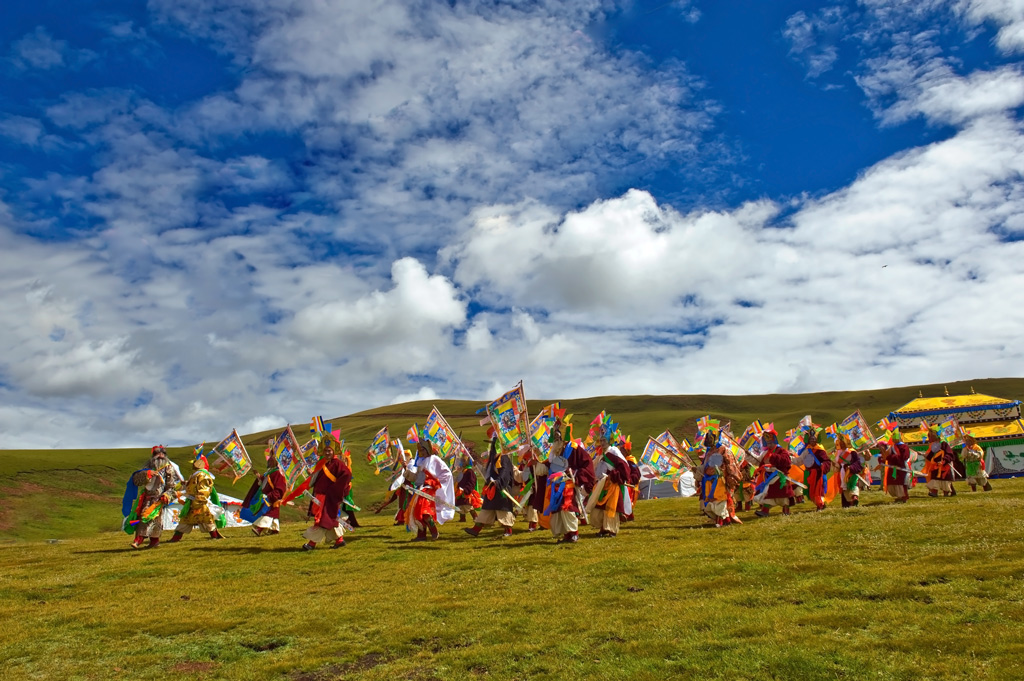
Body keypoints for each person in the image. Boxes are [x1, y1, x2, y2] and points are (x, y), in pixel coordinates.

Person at [294, 437, 352, 550]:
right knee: (330, 519)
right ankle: (339, 540)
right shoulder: (325, 464)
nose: (327, 453)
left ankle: (311, 544)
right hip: (320, 497)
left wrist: (335, 490)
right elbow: (319, 479)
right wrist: (313, 474)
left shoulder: (338, 464)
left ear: (333, 451)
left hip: (329, 497)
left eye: (329, 451)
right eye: (325, 451)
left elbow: (347, 475)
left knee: (321, 519)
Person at [124, 445, 184, 549]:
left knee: (151, 518)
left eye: (163, 454)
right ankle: (151, 541)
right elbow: (136, 480)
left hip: (159, 499)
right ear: (153, 455)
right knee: (145, 517)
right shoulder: (148, 467)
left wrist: (167, 495)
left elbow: (172, 485)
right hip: (146, 497)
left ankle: (140, 540)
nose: (160, 456)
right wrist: (147, 474)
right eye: (157, 454)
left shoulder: (169, 468)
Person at [465, 438, 517, 538]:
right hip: (492, 489)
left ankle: (508, 531)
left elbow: (505, 473)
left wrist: (499, 482)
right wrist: (478, 466)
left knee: (503, 511)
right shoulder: (494, 460)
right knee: (486, 509)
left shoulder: (504, 458)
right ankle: (476, 529)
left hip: (502, 490)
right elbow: (487, 473)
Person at [404, 441, 455, 541]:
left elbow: (447, 474)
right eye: (419, 450)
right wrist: (407, 473)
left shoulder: (435, 460)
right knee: (417, 512)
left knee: (425, 512)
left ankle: (434, 531)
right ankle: (421, 535)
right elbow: (418, 478)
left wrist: (434, 482)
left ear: (427, 449)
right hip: (421, 490)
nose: (421, 452)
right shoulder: (421, 462)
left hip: (430, 491)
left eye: (422, 449)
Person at [168, 454, 225, 542]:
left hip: (199, 502)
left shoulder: (202, 475)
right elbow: (194, 486)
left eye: (195, 462)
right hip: (192, 502)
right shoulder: (196, 475)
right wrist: (187, 484)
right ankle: (175, 538)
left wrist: (199, 499)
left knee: (206, 520)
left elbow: (203, 489)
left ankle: (215, 536)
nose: (193, 464)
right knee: (186, 520)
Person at [589, 444, 632, 537]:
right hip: (602, 484)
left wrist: (612, 475)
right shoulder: (601, 453)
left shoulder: (614, 452)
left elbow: (624, 469)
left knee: (612, 507)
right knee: (601, 507)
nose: (601, 442)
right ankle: (603, 528)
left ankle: (612, 529)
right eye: (601, 440)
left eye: (604, 440)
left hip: (613, 485)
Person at [243, 453, 287, 536]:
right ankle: (275, 529)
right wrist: (259, 476)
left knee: (268, 514)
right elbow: (264, 482)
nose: (269, 461)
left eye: (272, 460)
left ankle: (259, 529)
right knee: (272, 514)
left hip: (272, 497)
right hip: (267, 496)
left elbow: (280, 487)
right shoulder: (270, 472)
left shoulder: (278, 473)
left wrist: (272, 496)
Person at [754, 429, 795, 517]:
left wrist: (773, 457)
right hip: (769, 477)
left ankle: (786, 511)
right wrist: (749, 455)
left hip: (780, 477)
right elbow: (759, 461)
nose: (769, 445)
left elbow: (786, 461)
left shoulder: (781, 451)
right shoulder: (765, 453)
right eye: (768, 443)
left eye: (771, 442)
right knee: (768, 494)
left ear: (775, 441)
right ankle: (765, 511)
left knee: (784, 496)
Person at [698, 440, 731, 527]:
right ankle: (727, 521)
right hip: (711, 489)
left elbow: (721, 488)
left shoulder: (720, 478)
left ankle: (719, 522)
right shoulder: (708, 479)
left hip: (720, 489)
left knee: (720, 508)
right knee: (713, 507)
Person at [800, 429, 832, 511]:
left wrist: (823, 466)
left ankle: (820, 505)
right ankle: (821, 504)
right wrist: (791, 459)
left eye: (814, 439)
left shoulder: (820, 450)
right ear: (808, 440)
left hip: (819, 474)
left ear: (816, 440)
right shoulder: (807, 451)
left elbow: (827, 461)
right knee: (812, 491)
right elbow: (800, 460)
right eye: (811, 439)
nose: (812, 441)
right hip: (810, 474)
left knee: (819, 490)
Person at [832, 434, 864, 508]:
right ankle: (850, 502)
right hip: (842, 473)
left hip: (851, 472)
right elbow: (839, 466)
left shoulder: (852, 452)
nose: (842, 445)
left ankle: (854, 497)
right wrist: (835, 465)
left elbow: (857, 462)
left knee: (853, 485)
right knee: (845, 488)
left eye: (843, 443)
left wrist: (851, 467)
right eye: (841, 443)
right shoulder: (838, 453)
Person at [924, 427, 956, 497]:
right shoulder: (933, 445)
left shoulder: (944, 444)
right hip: (936, 466)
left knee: (945, 480)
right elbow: (931, 454)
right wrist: (926, 456)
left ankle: (946, 493)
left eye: (930, 437)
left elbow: (949, 454)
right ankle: (934, 492)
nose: (929, 439)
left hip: (944, 465)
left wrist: (945, 460)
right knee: (935, 479)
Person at [881, 432, 912, 503]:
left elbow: (904, 457)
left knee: (901, 482)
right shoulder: (892, 447)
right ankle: (899, 496)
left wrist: (892, 457)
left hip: (902, 467)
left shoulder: (904, 447)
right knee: (893, 481)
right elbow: (888, 456)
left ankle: (904, 496)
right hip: (893, 467)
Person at [453, 452, 482, 522]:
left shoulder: (470, 472)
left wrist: (467, 489)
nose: (461, 462)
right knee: (460, 505)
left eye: (463, 461)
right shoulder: (463, 471)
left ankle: (475, 517)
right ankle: (462, 518)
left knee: (468, 506)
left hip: (466, 492)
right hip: (460, 491)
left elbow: (472, 482)